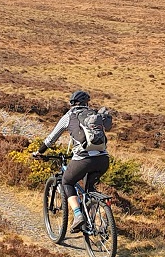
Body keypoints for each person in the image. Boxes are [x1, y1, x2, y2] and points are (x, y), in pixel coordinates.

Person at [34, 90, 110, 231]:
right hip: (103, 159)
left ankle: (78, 216)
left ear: (72, 103)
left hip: (83, 159)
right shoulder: (95, 114)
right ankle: (91, 222)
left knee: (67, 181)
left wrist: (39, 151)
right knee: (89, 189)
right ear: (86, 103)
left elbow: (52, 138)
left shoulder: (69, 116)